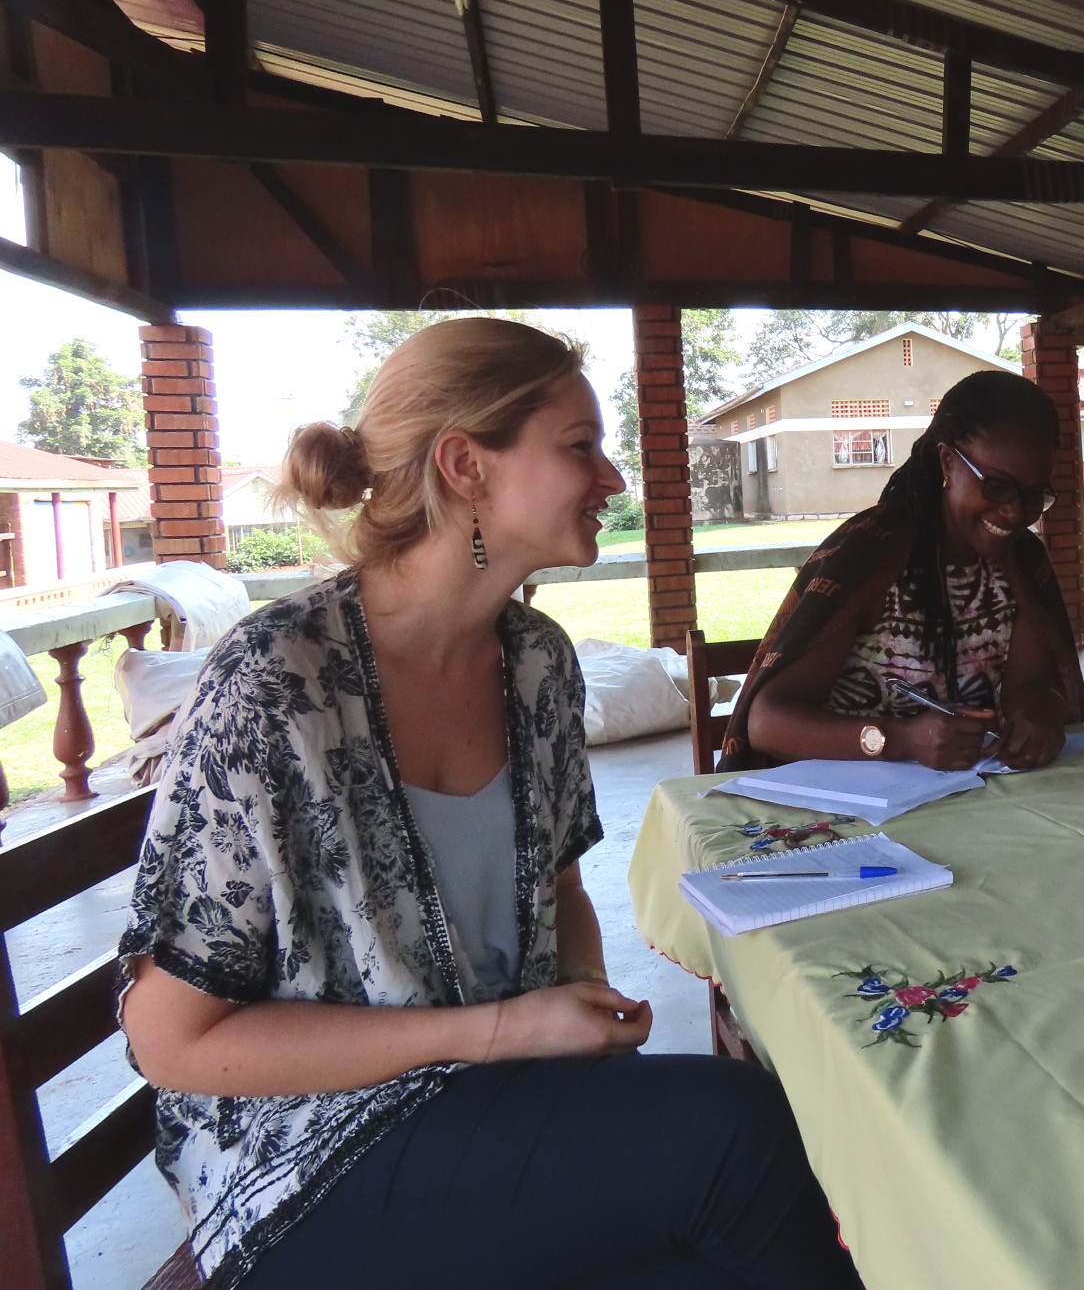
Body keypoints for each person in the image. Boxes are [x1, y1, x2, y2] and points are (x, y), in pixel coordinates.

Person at [118, 319, 863, 1290]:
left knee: (718, 1251)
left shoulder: (537, 662)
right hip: (303, 1163)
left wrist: (585, 1015)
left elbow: (560, 892)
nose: (612, 479)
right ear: (465, 465)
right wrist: (506, 1033)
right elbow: (170, 1040)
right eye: (580, 446)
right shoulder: (276, 684)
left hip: (499, 1111)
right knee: (737, 1132)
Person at [723, 369, 1084, 773]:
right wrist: (901, 739)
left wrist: (1038, 714)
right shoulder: (873, 554)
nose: (1015, 512)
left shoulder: (1021, 562)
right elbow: (767, 723)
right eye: (997, 486)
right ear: (948, 461)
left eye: (1034, 496)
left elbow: (1033, 683)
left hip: (968, 792)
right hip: (848, 793)